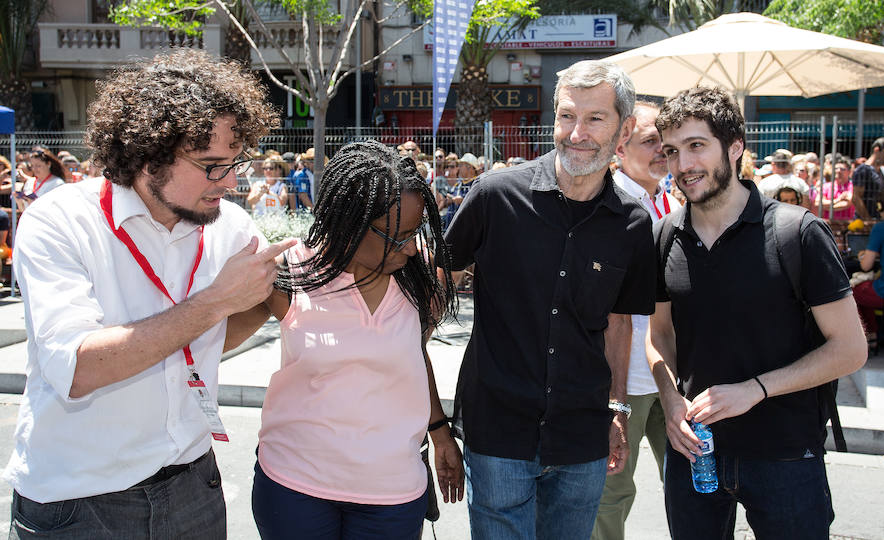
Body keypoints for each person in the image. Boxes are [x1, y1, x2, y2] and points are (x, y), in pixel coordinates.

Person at [3, 49, 295, 539]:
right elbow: (77, 368)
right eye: (211, 165)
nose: (230, 182)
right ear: (146, 156)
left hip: (193, 487)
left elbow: (210, 336)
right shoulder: (61, 222)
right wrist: (217, 300)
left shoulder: (231, 226)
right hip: (78, 501)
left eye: (235, 162)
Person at [444, 59, 656, 540]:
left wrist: (618, 411)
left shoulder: (633, 224)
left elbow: (619, 324)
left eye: (595, 118)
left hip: (583, 435)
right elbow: (436, 281)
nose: (576, 132)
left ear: (623, 131)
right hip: (498, 429)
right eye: (566, 116)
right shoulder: (494, 197)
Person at [647, 86, 866, 539]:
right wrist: (670, 401)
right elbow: (659, 335)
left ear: (735, 147)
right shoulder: (664, 236)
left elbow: (850, 349)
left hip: (785, 454)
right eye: (671, 151)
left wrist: (756, 389)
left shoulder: (797, 232)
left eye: (696, 146)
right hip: (696, 454)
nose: (683, 165)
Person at [252, 141, 463, 538]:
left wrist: (439, 432)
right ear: (350, 220)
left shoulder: (418, 288)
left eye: (415, 232)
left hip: (393, 494)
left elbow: (414, 360)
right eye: (397, 236)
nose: (412, 246)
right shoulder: (288, 274)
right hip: (294, 488)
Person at [593, 101, 679, 540]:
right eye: (651, 142)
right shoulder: (613, 207)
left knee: (695, 490)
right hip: (625, 381)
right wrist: (615, 399)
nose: (663, 151)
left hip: (672, 377)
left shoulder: (667, 200)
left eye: (667, 143)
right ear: (620, 147)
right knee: (610, 501)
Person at [853, 187, 884, 348]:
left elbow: (866, 266)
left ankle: (869, 336)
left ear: (880, 206)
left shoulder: (881, 229)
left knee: (852, 292)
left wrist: (862, 255)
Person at [851, 137, 884, 220]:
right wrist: (868, 220)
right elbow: (856, 198)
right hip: (863, 225)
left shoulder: (883, 172)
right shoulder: (863, 170)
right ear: (876, 150)